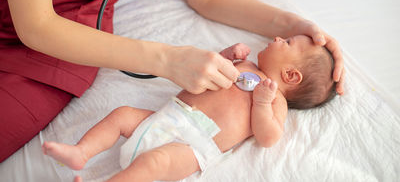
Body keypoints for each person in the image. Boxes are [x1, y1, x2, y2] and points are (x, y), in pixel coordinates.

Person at [0, 0, 344, 162]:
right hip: (35, 21)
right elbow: (35, 24)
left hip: (67, 41)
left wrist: (296, 26)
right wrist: (165, 60)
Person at [42, 35, 336, 182]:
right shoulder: (247, 65)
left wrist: (261, 104)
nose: (276, 38)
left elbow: (269, 137)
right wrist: (226, 57)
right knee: (122, 115)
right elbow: (205, 75)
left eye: (286, 42)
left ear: (291, 76)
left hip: (194, 144)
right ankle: (82, 153)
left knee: (152, 164)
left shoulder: (276, 100)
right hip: (169, 115)